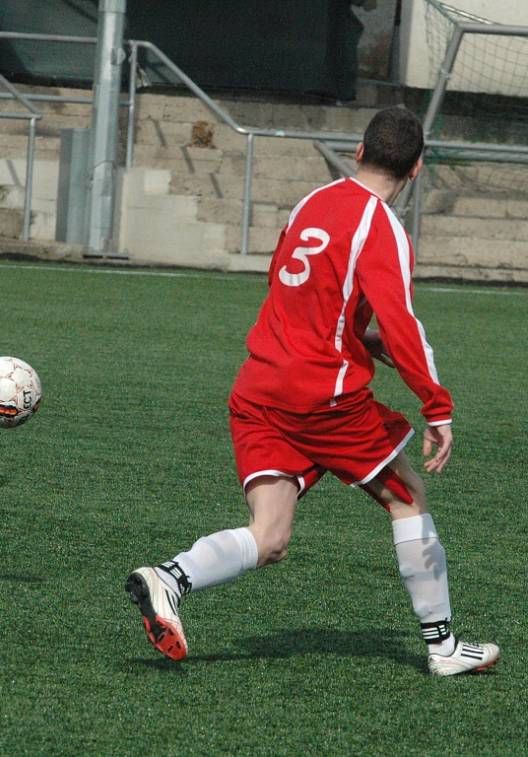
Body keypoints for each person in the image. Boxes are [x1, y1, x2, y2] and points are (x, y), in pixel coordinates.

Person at [126, 107, 500, 677]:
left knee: (270, 535)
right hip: (322, 398)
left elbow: (290, 283)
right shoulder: (382, 228)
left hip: (259, 385)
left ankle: (169, 578)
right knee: (407, 497)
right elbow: (403, 324)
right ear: (418, 169)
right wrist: (437, 405)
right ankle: (444, 646)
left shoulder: (312, 203)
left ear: (357, 152)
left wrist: (351, 336)